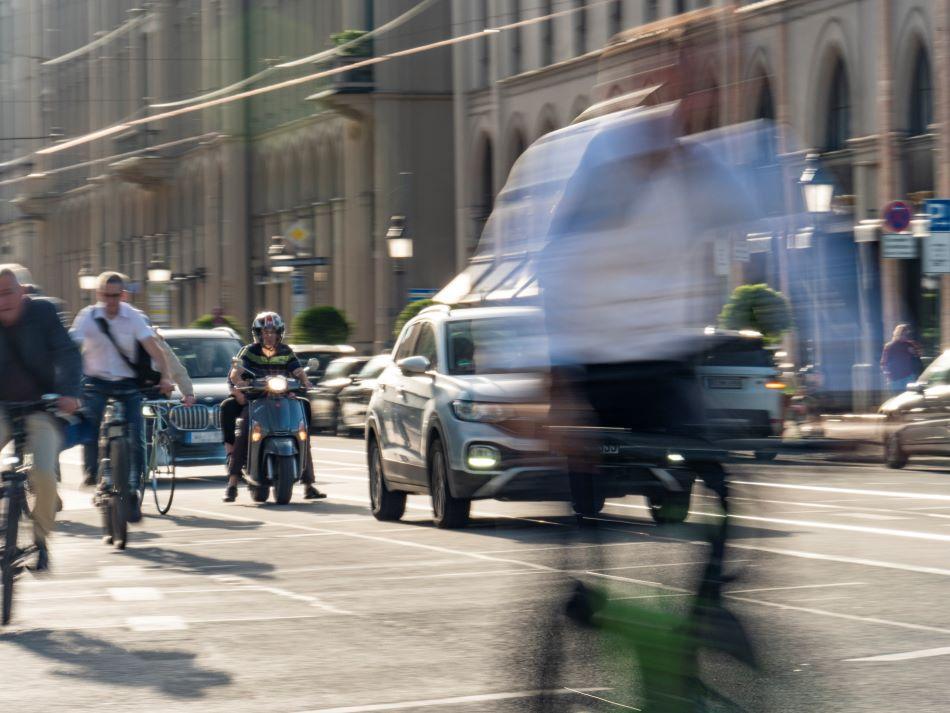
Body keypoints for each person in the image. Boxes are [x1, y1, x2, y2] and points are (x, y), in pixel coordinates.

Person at [71, 272, 174, 522]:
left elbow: (154, 349)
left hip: (127, 384)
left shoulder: (133, 317)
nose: (111, 302)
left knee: (137, 435)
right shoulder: (88, 317)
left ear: (123, 295)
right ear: (99, 295)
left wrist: (166, 377)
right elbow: (71, 346)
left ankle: (134, 489)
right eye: (106, 296)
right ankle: (93, 471)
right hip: (96, 382)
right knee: (91, 422)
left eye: (116, 296)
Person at [0, 264, 81, 571]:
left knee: (44, 474)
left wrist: (69, 393)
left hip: (41, 407)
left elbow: (67, 353)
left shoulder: (43, 313)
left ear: (22, 293)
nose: (3, 301)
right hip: (2, 408)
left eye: (8, 292)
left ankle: (40, 538)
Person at [223, 311, 325, 502]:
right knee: (245, 429)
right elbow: (236, 373)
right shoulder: (249, 351)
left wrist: (305, 381)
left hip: (283, 398)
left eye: (273, 332)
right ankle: (232, 483)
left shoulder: (286, 351)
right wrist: (240, 383)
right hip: (256, 400)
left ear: (279, 333)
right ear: (259, 334)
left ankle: (308, 484)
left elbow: (297, 369)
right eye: (265, 332)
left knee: (302, 429)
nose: (269, 335)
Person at [881, 323, 924, 394]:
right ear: (898, 334)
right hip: (895, 379)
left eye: (907, 334)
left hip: (909, 377)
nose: (906, 336)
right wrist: (888, 376)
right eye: (903, 334)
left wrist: (914, 353)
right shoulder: (889, 346)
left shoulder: (910, 345)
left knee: (909, 397)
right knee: (898, 398)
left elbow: (918, 359)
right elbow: (883, 363)